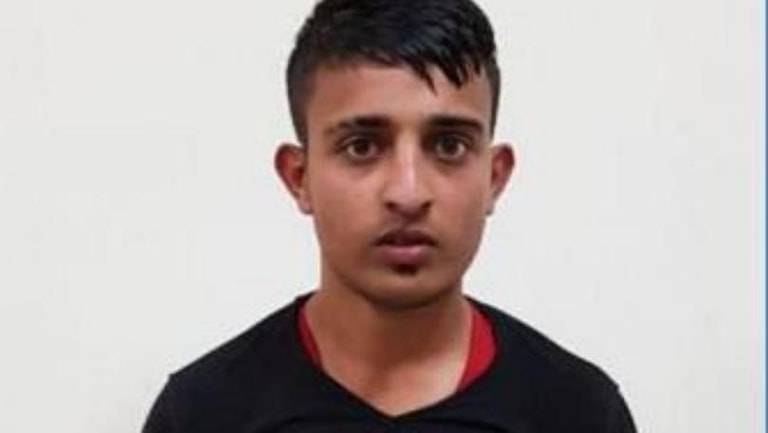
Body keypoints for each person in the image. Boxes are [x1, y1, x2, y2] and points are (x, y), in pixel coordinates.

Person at [142, 0, 637, 431]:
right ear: (299, 176)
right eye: (361, 146)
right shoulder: (203, 413)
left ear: (494, 177)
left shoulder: (578, 412)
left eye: (448, 145)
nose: (407, 192)